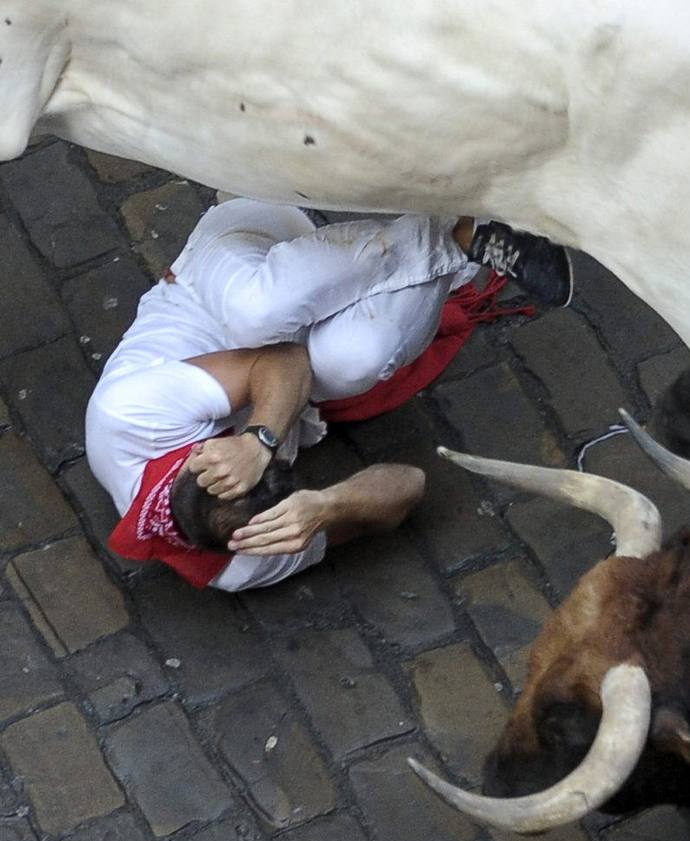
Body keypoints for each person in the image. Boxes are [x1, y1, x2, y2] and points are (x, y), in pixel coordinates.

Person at [86, 198, 571, 591]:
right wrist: (328, 507)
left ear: (199, 453)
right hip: (307, 337)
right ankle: (457, 231)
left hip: (240, 266)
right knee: (360, 355)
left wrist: (258, 440)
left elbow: (280, 361)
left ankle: (452, 235)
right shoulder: (244, 563)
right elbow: (410, 485)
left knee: (258, 315)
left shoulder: (126, 420)